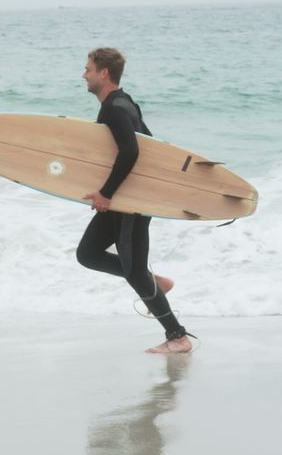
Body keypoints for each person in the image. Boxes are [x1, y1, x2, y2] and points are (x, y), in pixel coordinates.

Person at [76, 48, 193, 353]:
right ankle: (154, 282)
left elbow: (132, 151)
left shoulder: (115, 108)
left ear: (104, 73)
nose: (84, 74)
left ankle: (177, 337)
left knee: (134, 271)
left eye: (88, 69)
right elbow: (150, 143)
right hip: (125, 196)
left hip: (131, 201)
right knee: (88, 253)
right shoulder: (124, 102)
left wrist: (107, 193)